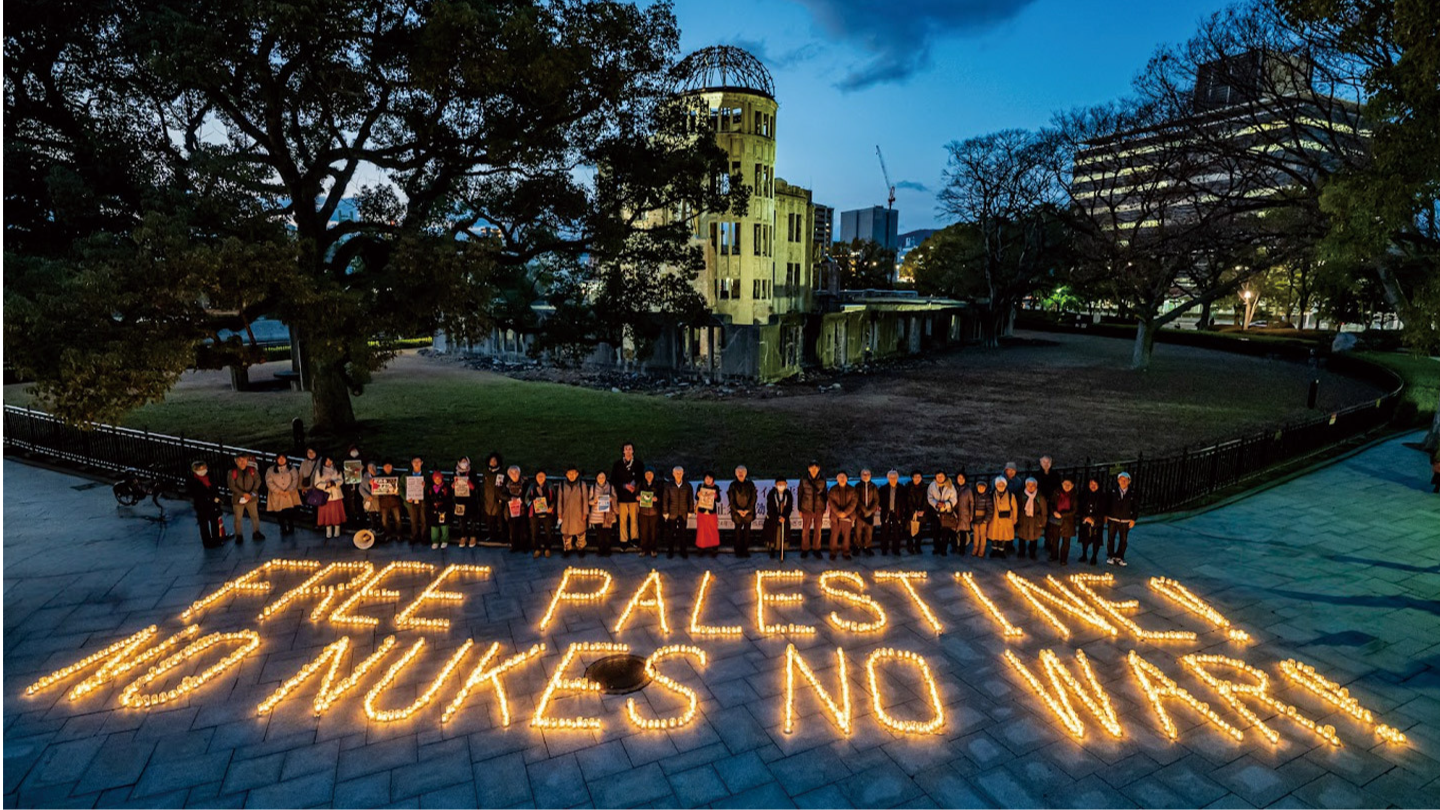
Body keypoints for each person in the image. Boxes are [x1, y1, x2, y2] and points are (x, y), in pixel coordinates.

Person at [611, 442, 643, 549]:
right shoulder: (617, 464)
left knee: (634, 519)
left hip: (634, 496)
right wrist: (624, 486)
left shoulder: (639, 464)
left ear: (633, 451)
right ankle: (623, 541)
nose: (628, 451)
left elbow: (641, 478)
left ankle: (635, 539)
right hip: (622, 497)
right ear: (623, 451)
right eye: (626, 449)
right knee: (622, 520)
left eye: (630, 449)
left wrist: (634, 484)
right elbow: (614, 480)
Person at [187, 460, 225, 547]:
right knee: (204, 524)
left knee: (214, 521)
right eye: (200, 469)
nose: (203, 470)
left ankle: (216, 540)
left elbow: (215, 488)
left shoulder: (210, 477)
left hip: (212, 504)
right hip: (202, 505)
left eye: (204, 468)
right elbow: (197, 493)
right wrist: (211, 497)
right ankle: (207, 542)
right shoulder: (192, 481)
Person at [229, 454, 264, 542]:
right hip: (238, 499)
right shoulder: (232, 472)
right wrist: (243, 494)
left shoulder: (252, 470)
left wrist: (253, 491)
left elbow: (258, 480)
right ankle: (239, 535)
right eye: (240, 460)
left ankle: (256, 532)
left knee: (255, 516)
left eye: (244, 460)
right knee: (238, 518)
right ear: (236, 461)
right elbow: (231, 486)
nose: (242, 462)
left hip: (251, 497)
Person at [557, 465, 590, 558]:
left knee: (580, 532)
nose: (571, 476)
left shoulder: (581, 484)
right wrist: (559, 513)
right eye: (569, 473)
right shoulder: (562, 485)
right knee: (566, 533)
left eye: (573, 473)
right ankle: (567, 548)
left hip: (578, 512)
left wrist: (585, 512)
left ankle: (581, 548)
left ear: (577, 474)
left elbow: (585, 499)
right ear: (566, 474)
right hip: (566, 513)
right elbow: (559, 500)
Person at [662, 466, 694, 559]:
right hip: (672, 512)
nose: (678, 475)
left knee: (683, 533)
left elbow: (690, 499)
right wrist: (665, 511)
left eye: (680, 473)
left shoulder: (687, 485)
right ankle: (670, 551)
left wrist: (690, 510)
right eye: (676, 473)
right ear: (673, 474)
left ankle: (683, 551)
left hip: (683, 512)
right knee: (671, 532)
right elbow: (665, 499)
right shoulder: (668, 485)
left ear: (683, 473)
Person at [264, 454, 302, 534]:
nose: (281, 460)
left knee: (290, 511)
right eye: (279, 458)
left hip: (290, 494)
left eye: (283, 458)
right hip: (277, 495)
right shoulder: (270, 470)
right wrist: (279, 491)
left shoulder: (292, 468)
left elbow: (295, 480)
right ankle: (283, 528)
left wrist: (289, 490)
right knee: (279, 513)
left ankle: (291, 527)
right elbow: (269, 482)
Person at [1106, 472, 1137, 566]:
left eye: (1125, 480)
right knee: (1111, 538)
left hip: (1125, 519)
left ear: (1128, 481)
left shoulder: (1132, 493)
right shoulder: (1113, 491)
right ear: (1118, 480)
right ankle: (1111, 555)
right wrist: (1106, 515)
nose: (1123, 481)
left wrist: (1133, 519)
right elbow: (1107, 503)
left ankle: (1120, 556)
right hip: (1113, 518)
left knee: (1123, 539)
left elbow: (1135, 506)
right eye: (1121, 479)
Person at [797, 462, 828, 559]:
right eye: (812, 468)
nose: (813, 470)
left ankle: (816, 549)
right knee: (805, 530)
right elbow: (800, 494)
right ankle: (805, 549)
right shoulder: (804, 479)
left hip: (819, 508)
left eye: (815, 468)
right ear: (808, 469)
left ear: (819, 469)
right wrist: (799, 509)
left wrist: (824, 507)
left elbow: (825, 494)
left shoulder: (823, 480)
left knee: (818, 530)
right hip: (806, 508)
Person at [727, 466, 758, 558]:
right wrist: (738, 510)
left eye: (742, 471)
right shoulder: (732, 485)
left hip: (748, 512)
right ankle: (738, 550)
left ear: (746, 473)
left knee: (747, 532)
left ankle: (745, 550)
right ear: (736, 473)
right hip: (737, 513)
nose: (740, 473)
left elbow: (753, 498)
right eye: (739, 472)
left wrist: (747, 509)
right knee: (737, 531)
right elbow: (731, 500)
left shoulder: (750, 484)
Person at [826, 471, 858, 561]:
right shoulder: (832, 490)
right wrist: (839, 513)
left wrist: (845, 513)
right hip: (836, 517)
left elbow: (853, 503)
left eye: (844, 477)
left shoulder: (852, 490)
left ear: (847, 479)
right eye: (840, 477)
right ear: (837, 479)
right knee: (834, 535)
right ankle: (833, 552)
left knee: (847, 536)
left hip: (848, 517)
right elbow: (831, 502)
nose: (842, 479)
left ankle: (846, 552)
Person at [1015, 477, 1048, 561]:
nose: (1030, 487)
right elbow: (1018, 507)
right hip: (1023, 518)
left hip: (1035, 519)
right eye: (1028, 485)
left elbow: (1044, 510)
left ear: (1036, 486)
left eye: (1032, 485)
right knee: (1022, 535)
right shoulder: (1022, 495)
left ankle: (1032, 552)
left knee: (1034, 536)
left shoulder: (1039, 497)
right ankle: (1021, 551)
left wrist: (1043, 522)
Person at [314, 457, 347, 539]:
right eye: (327, 460)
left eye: (330, 460)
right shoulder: (319, 471)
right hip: (325, 496)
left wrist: (334, 483)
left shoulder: (337, 470)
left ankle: (337, 528)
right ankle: (328, 529)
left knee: (336, 513)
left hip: (336, 495)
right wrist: (325, 485)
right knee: (327, 513)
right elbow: (316, 483)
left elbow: (341, 480)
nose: (329, 462)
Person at [527, 470, 558, 558]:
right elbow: (527, 499)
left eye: (542, 476)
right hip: (534, 513)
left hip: (547, 513)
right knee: (535, 532)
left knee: (548, 531)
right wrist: (533, 503)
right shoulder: (532, 486)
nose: (540, 478)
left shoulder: (549, 486)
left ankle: (547, 548)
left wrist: (551, 507)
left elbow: (554, 498)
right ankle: (537, 548)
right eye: (538, 476)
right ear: (535, 477)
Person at [1047, 478, 1078, 564]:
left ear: (1072, 486)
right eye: (1065, 484)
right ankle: (1054, 555)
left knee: (1066, 540)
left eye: (1069, 484)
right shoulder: (1057, 492)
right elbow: (1051, 503)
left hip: (1068, 521)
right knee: (1055, 538)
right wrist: (1054, 512)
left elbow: (1074, 510)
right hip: (1056, 519)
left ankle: (1063, 559)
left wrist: (1062, 515)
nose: (1066, 486)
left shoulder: (1074, 495)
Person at [927, 471, 958, 556]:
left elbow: (954, 499)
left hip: (946, 513)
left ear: (945, 477)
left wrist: (945, 504)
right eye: (938, 476)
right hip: (936, 512)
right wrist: (936, 504)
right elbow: (929, 497)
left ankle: (944, 549)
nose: (940, 478)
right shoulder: (932, 485)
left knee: (945, 532)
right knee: (935, 532)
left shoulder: (950, 486)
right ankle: (937, 548)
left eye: (941, 476)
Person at [1078, 478, 1106, 565]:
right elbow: (1079, 507)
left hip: (1097, 521)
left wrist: (1093, 518)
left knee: (1096, 539)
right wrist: (1085, 517)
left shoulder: (1102, 496)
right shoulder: (1083, 494)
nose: (1093, 486)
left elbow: (1103, 510)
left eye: (1095, 484)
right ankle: (1084, 554)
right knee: (1085, 538)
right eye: (1091, 484)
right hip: (1085, 520)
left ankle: (1094, 556)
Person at [876, 470, 905, 555]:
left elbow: (904, 501)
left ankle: (896, 549)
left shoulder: (902, 489)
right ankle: (884, 549)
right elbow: (879, 501)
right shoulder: (883, 489)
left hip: (897, 513)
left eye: (895, 477)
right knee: (885, 531)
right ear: (888, 478)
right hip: (886, 513)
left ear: (897, 478)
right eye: (891, 477)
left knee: (897, 532)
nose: (893, 479)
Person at [451, 458, 478, 547]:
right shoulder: (455, 473)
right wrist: (453, 485)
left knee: (472, 519)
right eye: (462, 462)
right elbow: (451, 486)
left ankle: (473, 536)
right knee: (461, 520)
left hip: (470, 500)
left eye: (465, 462)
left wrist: (468, 482)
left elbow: (475, 487)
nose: (463, 463)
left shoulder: (472, 473)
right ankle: (463, 536)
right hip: (460, 500)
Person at [589, 470, 617, 556]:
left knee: (608, 533)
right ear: (596, 478)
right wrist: (595, 501)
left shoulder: (611, 487)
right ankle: (600, 549)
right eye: (599, 477)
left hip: (608, 515)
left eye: (603, 477)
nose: (601, 479)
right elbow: (589, 501)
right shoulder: (593, 487)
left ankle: (607, 549)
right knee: (599, 534)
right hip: (597, 514)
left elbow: (615, 497)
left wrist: (611, 498)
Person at [636, 468, 663, 558]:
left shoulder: (658, 485)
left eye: (650, 473)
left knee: (653, 532)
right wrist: (638, 498)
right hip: (643, 511)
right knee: (643, 531)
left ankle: (653, 549)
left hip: (653, 511)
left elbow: (661, 497)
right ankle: (643, 549)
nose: (648, 475)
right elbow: (636, 495)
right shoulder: (641, 484)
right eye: (647, 473)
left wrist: (657, 499)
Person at [501, 466, 529, 552]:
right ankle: (514, 546)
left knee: (523, 529)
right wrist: (510, 498)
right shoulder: (506, 484)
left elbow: (528, 494)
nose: (515, 474)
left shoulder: (524, 483)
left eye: (516, 472)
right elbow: (501, 494)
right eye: (512, 473)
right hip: (511, 510)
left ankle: (524, 546)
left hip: (522, 509)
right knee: (513, 530)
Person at [695, 473, 722, 558]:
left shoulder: (716, 487)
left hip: (711, 512)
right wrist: (698, 495)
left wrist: (715, 496)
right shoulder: (700, 486)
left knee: (713, 530)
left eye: (710, 478)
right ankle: (701, 549)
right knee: (701, 531)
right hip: (702, 512)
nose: (708, 480)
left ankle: (714, 549)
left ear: (713, 479)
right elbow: (696, 497)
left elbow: (719, 500)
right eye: (706, 478)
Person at [765, 479, 793, 559]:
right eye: (779, 484)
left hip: (784, 518)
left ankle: (782, 550)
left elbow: (789, 507)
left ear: (786, 485)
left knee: (783, 534)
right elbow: (770, 507)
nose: (781, 486)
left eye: (783, 484)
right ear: (776, 485)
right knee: (773, 534)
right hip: (773, 518)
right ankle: (772, 550)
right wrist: (777, 517)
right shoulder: (771, 494)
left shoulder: (788, 494)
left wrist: (784, 516)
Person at [375, 461, 404, 542]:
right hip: (384, 503)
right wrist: (372, 483)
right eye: (385, 466)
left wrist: (399, 492)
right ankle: (388, 534)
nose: (387, 467)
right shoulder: (379, 477)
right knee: (384, 521)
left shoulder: (397, 476)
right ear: (383, 467)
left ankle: (399, 534)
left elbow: (401, 487)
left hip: (395, 502)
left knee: (398, 519)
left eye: (389, 466)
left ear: (392, 466)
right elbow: (375, 488)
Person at [989, 477, 1017, 558]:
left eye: (1002, 484)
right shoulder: (992, 494)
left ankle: (1001, 550)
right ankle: (994, 549)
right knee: (994, 535)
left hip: (1006, 519)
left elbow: (1014, 508)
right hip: (994, 519)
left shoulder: (1011, 495)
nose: (1000, 485)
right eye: (999, 484)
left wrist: (1014, 518)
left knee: (1004, 536)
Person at [482, 453, 506, 544]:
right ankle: (492, 535)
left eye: (495, 461)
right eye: (491, 461)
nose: (493, 462)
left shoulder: (501, 473)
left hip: (498, 499)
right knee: (490, 520)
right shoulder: (486, 472)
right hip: (488, 499)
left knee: (501, 520)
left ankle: (503, 536)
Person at [403, 457, 428, 545]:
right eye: (415, 462)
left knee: (423, 519)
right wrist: (405, 497)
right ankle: (414, 536)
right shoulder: (406, 475)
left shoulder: (426, 474)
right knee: (413, 520)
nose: (416, 463)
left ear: (422, 463)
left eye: (418, 461)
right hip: (411, 501)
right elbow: (401, 487)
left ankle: (424, 536)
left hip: (422, 501)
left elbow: (430, 487)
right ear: (412, 463)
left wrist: (425, 486)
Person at [854, 469, 879, 556]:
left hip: (870, 513)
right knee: (858, 530)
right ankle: (857, 546)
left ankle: (867, 547)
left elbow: (876, 500)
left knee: (869, 531)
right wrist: (864, 509)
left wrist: (870, 510)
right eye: (863, 474)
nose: (866, 475)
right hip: (860, 512)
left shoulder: (873, 486)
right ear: (860, 475)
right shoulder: (857, 486)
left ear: (870, 475)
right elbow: (856, 499)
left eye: (867, 474)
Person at [426, 470, 453, 549]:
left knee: (444, 526)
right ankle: (435, 541)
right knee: (434, 527)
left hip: (443, 510)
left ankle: (444, 540)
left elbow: (448, 498)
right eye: (435, 479)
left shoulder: (445, 487)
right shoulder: (431, 488)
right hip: (433, 510)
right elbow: (428, 499)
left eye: (439, 478)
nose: (437, 480)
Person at [904, 471, 929, 554]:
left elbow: (927, 500)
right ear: (912, 478)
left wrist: (923, 510)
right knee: (909, 531)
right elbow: (908, 501)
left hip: (921, 513)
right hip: (910, 512)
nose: (917, 479)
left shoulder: (925, 488)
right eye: (915, 477)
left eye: (919, 477)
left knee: (920, 531)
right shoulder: (908, 487)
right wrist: (914, 510)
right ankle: (910, 546)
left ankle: (918, 547)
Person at [341, 445, 365, 528]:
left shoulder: (362, 459)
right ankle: (352, 521)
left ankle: (362, 521)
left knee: (359, 503)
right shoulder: (345, 460)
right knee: (350, 504)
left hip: (359, 485)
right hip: (349, 486)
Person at [954, 472, 975, 557]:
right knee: (954, 530)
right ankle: (955, 546)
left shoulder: (968, 490)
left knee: (963, 532)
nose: (960, 480)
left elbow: (972, 502)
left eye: (962, 478)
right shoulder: (954, 488)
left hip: (965, 513)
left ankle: (962, 548)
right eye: (959, 478)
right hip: (955, 512)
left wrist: (971, 514)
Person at [970, 478, 992, 557]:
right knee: (976, 535)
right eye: (979, 487)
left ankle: (981, 551)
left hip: (983, 519)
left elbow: (990, 510)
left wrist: (986, 519)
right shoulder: (974, 495)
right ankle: (975, 548)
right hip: (976, 519)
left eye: (983, 487)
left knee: (983, 535)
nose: (981, 489)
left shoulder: (987, 497)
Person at [360, 461, 381, 535]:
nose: (371, 469)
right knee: (371, 515)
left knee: (380, 514)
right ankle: (374, 527)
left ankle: (380, 528)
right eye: (369, 467)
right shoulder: (365, 477)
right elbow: (361, 488)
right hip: (369, 499)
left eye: (373, 467)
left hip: (378, 499)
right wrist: (367, 496)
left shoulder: (380, 476)